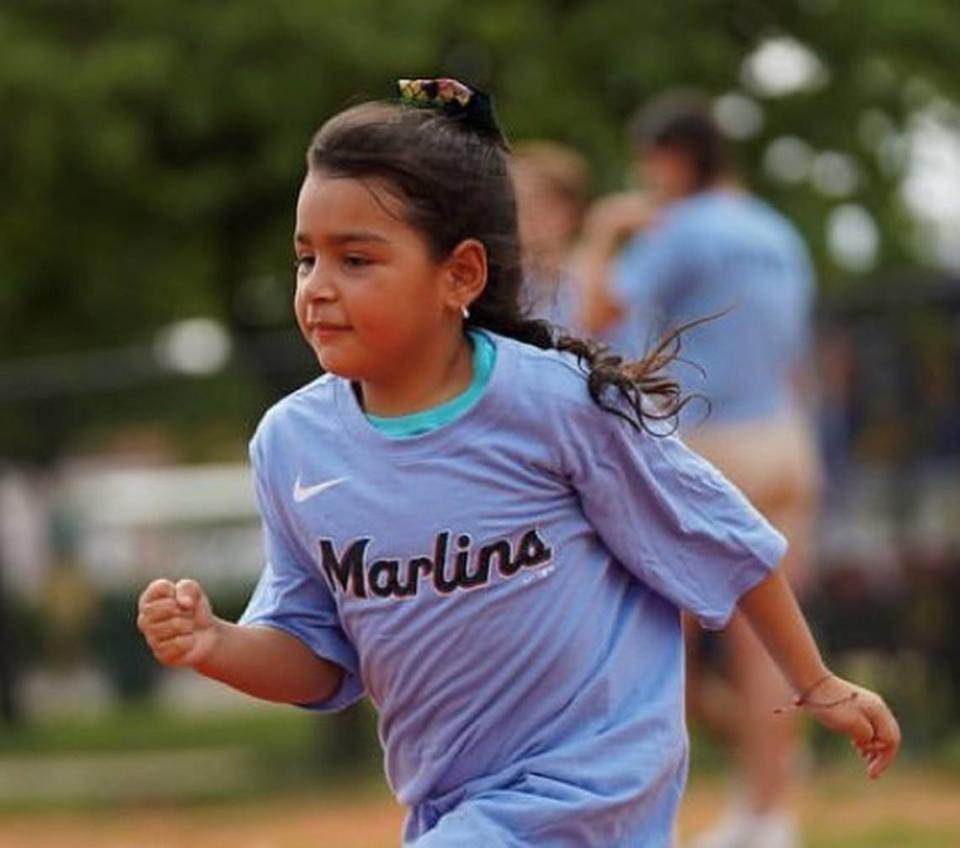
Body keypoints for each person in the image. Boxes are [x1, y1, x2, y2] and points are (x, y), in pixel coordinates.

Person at [136, 78, 898, 847]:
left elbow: (727, 541)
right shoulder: (291, 444)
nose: (318, 289)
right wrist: (217, 645)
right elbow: (319, 661)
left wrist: (818, 682)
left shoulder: (558, 405)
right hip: (452, 807)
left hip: (590, 790)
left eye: (357, 259)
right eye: (306, 259)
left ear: (460, 275)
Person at [577, 92, 823, 847]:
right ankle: (768, 814)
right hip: (785, 440)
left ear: (672, 158)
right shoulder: (776, 231)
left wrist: (602, 231)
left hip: (711, 446)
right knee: (770, 645)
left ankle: (645, 817)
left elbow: (596, 313)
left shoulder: (680, 229)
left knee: (648, 637)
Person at [510, 140, 590, 329]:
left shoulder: (593, 277)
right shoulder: (517, 283)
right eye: (516, 201)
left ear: (572, 210)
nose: (527, 213)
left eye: (538, 201)